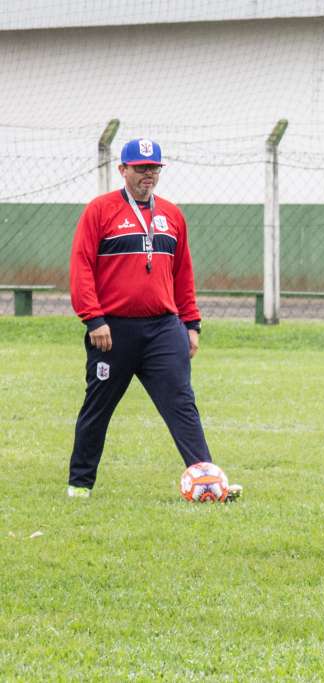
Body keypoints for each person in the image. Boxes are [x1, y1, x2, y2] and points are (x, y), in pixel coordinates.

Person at [66, 138, 240, 500]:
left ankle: (206, 482)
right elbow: (81, 266)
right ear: (123, 170)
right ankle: (80, 485)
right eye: (141, 167)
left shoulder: (172, 215)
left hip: (164, 327)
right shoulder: (100, 211)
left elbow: (183, 273)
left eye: (154, 168)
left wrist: (191, 324)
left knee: (182, 404)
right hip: (112, 330)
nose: (149, 174)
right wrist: (93, 319)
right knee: (97, 408)